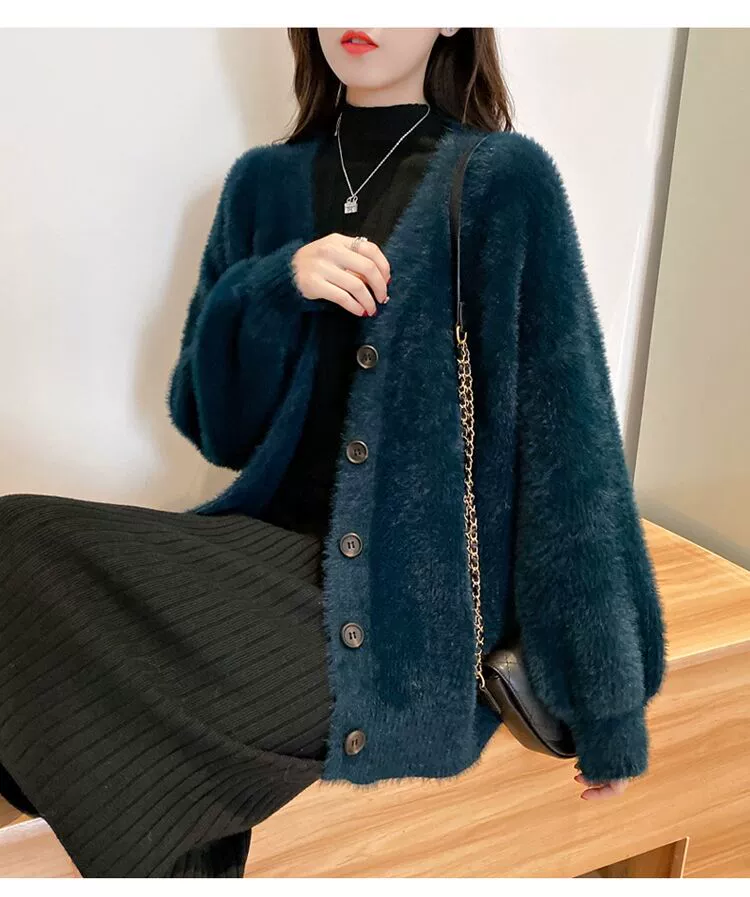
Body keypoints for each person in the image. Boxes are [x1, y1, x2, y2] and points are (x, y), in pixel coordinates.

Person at [0, 27, 667, 877]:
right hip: (265, 556)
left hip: (406, 617)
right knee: (17, 538)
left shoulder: (501, 181)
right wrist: (275, 286)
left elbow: (571, 451)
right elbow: (214, 427)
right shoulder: (262, 184)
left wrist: (607, 709)